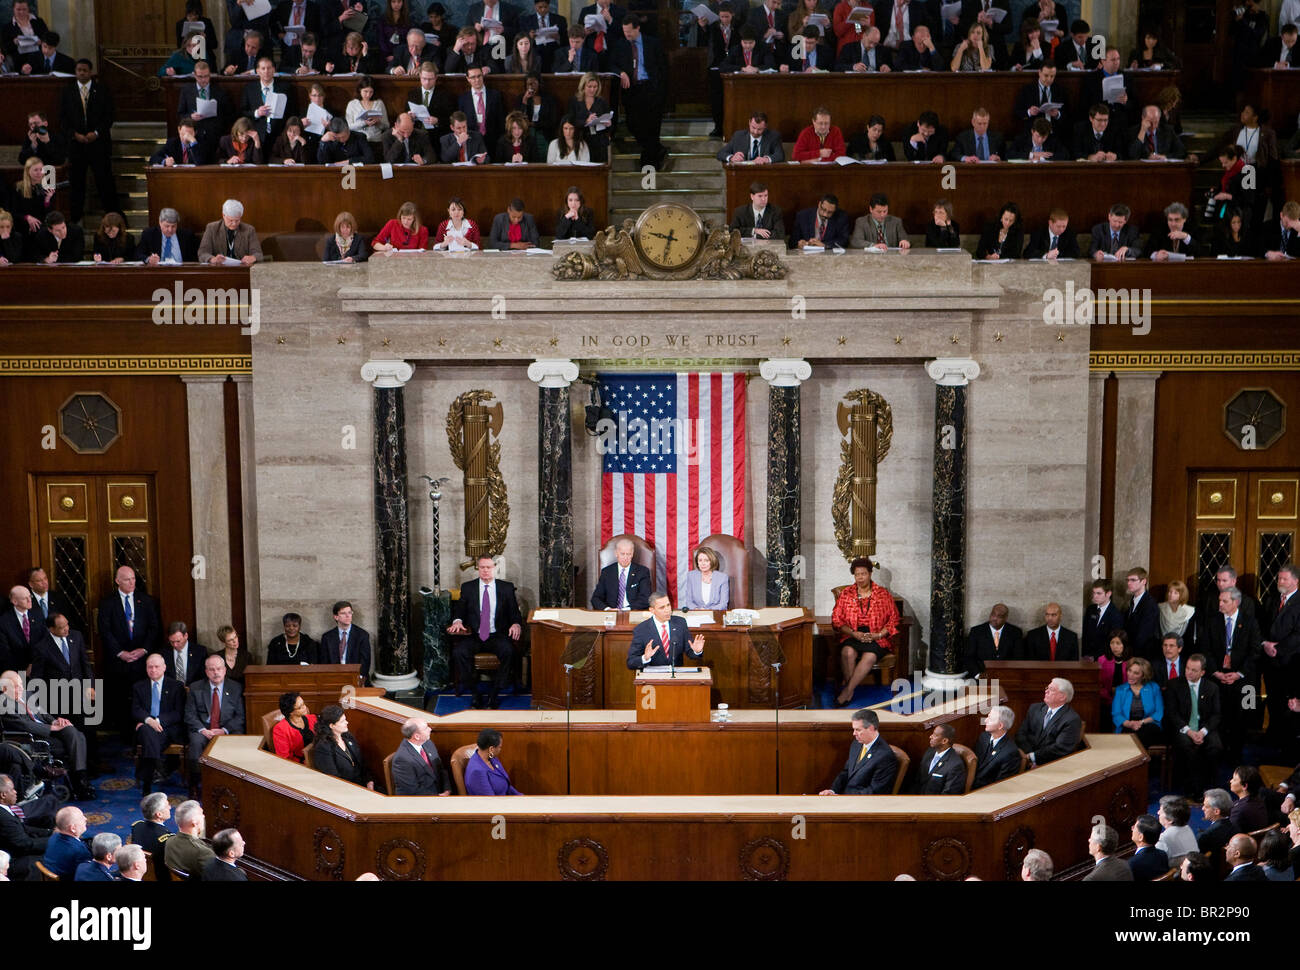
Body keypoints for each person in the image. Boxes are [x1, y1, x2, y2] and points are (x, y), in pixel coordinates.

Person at [1, 669, 94, 800]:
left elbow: (43, 713)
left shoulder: (27, 694)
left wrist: (56, 721)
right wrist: (51, 727)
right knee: (73, 741)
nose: (21, 688)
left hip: (49, 731)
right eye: (16, 687)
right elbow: (25, 725)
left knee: (73, 732)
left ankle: (80, 778)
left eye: (21, 684)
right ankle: (80, 782)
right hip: (33, 739)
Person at [448, 555, 523, 708]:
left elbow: (514, 612)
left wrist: (516, 624)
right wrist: (457, 621)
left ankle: (494, 693)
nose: (485, 570)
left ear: (495, 568)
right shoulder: (468, 587)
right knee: (458, 653)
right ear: (478, 569)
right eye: (482, 567)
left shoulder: (506, 587)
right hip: (475, 635)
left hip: (497, 634)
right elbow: (459, 610)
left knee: (509, 652)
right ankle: (474, 693)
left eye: (489, 567)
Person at [830, 557, 901, 705]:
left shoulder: (883, 594)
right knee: (847, 652)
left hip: (876, 636)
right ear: (854, 576)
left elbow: (894, 619)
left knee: (869, 656)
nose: (860, 577)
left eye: (863, 573)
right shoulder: (847, 593)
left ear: (870, 573)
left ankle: (846, 692)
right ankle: (850, 691)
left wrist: (878, 635)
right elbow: (836, 619)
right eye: (857, 574)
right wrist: (853, 633)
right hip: (853, 633)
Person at [61, 59, 121, 224]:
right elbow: (63, 119)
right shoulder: (68, 91)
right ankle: (75, 219)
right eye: (79, 70)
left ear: (90, 72)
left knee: (105, 181)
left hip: (98, 144)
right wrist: (75, 134)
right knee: (77, 184)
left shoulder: (101, 90)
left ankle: (113, 217)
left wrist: (96, 133)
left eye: (84, 70)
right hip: (76, 146)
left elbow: (109, 116)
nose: (81, 73)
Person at [1204, 585, 1259, 756]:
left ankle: (1236, 755)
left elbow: (1255, 652)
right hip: (1217, 679)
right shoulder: (1212, 621)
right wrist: (1216, 672)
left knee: (1241, 718)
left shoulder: (1250, 622)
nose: (1220, 604)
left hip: (1242, 680)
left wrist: (1238, 673)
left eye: (1224, 601)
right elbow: (1206, 649)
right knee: (1218, 716)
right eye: (1219, 600)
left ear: (1235, 602)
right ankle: (1218, 751)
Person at [184, 653, 244, 793]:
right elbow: (189, 714)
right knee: (196, 743)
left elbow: (240, 716)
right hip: (203, 729)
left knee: (237, 742)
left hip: (226, 729)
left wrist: (224, 730)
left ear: (224, 670)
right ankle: (196, 785)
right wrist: (203, 730)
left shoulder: (236, 688)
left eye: (218, 669)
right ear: (206, 672)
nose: (216, 672)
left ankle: (232, 785)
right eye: (212, 669)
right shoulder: (196, 687)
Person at [614, 14, 667, 169]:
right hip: (632, 91)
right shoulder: (620, 45)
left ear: (638, 28)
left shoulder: (653, 43)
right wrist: (620, 72)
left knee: (652, 128)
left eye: (629, 31)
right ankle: (658, 151)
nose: (627, 35)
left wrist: (661, 91)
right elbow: (611, 64)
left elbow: (663, 68)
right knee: (633, 124)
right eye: (624, 31)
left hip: (651, 90)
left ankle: (650, 165)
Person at [131, 653, 186, 794]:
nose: (153, 670)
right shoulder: (139, 686)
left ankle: (147, 783)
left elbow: (178, 713)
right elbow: (135, 709)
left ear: (164, 668)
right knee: (147, 731)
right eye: (150, 667)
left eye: (156, 667)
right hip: (147, 727)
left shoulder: (176, 686)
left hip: (167, 728)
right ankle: (159, 766)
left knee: (148, 736)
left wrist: (158, 721)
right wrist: (148, 720)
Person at [819, 708, 898, 795]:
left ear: (871, 728)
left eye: (858, 730)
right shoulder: (856, 744)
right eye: (854, 729)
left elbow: (874, 791)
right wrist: (833, 791)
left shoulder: (885, 756)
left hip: (861, 804)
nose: (854, 733)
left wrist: (842, 798)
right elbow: (846, 772)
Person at [626, 590, 705, 670]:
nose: (667, 610)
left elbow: (690, 652)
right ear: (652, 610)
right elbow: (631, 662)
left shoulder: (680, 623)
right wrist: (645, 658)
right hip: (653, 678)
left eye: (668, 605)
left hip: (676, 676)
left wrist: (697, 651)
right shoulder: (641, 629)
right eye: (662, 607)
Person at [1017, 678, 1083, 766]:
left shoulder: (1071, 719)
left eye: (1051, 689)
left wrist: (1033, 757)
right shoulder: (1034, 709)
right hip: (1025, 759)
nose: (1046, 691)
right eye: (1047, 688)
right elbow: (1021, 734)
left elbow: (1060, 748)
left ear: (1062, 696)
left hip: (1052, 765)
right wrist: (1028, 757)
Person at [0, 773, 49, 881]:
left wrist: (49, 832)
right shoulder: (3, 817)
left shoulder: (4, 811)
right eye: (12, 789)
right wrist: (52, 840)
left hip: (13, 850)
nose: (15, 792)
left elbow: (23, 828)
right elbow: (24, 845)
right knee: (49, 858)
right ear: (3, 795)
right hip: (11, 862)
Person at [311, 704, 373, 787]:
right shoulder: (323, 747)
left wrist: (369, 781)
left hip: (362, 784)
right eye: (343, 721)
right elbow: (334, 779)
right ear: (332, 726)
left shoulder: (347, 736)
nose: (347, 722)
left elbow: (362, 763)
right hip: (347, 790)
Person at [390, 717, 451, 794]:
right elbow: (413, 790)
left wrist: (447, 790)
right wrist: (437, 798)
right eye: (426, 728)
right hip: (418, 801)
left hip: (439, 794)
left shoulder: (428, 743)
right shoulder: (402, 759)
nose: (430, 729)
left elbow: (441, 769)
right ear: (417, 736)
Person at [1112, 656, 1163, 746]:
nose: (1130, 675)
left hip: (1148, 723)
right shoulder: (1120, 690)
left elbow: (1158, 712)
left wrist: (1141, 722)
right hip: (1127, 724)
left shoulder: (1154, 687)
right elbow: (1116, 714)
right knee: (1131, 736)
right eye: (1129, 670)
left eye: (1136, 673)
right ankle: (1142, 759)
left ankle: (1139, 759)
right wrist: (1129, 723)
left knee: (1143, 734)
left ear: (1143, 675)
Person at [319, 601, 372, 685]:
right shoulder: (327, 637)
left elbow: (365, 662)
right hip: (334, 677)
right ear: (336, 617)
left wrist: (360, 679)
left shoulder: (362, 635)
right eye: (343, 613)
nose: (348, 616)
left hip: (355, 677)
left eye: (350, 612)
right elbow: (324, 662)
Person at [965, 602, 1023, 677]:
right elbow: (969, 657)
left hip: (1007, 676)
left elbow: (1019, 657)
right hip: (982, 675)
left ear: (1005, 618)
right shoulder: (976, 631)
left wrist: (1010, 674)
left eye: (999, 616)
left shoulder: (1015, 632)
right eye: (993, 614)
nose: (995, 618)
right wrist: (978, 675)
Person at [199, 198, 262, 265]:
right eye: (231, 220)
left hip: (242, 270)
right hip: (219, 269)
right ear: (223, 215)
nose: (234, 224)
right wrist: (212, 259)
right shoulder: (212, 228)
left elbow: (258, 254)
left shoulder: (249, 230)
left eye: (237, 220)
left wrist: (253, 257)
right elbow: (202, 253)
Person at [592, 537, 650, 609]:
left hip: (632, 611)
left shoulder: (642, 572)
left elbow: (645, 599)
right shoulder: (606, 572)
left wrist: (626, 609)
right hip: (611, 612)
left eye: (628, 554)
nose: (625, 558)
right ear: (616, 553)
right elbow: (596, 598)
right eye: (622, 554)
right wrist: (607, 609)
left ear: (632, 554)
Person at [1, 585, 49, 672]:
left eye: (30, 596)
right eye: (24, 598)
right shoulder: (4, 621)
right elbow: (5, 651)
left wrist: (34, 664)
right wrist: (23, 669)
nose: (29, 600)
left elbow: (45, 640)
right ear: (14, 601)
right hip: (17, 670)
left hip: (39, 667)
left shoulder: (38, 614)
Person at [567, 72, 611, 163]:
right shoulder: (575, 101)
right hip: (581, 139)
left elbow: (608, 121)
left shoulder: (601, 102)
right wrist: (586, 121)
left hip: (599, 141)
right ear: (583, 86)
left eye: (595, 87)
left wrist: (608, 124)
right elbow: (570, 121)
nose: (592, 90)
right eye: (589, 86)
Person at [973, 705, 1020, 788]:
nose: (986, 720)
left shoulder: (1011, 753)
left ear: (1000, 726)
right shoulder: (984, 737)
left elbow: (1001, 785)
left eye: (990, 719)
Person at [464, 728, 521, 795]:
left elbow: (507, 787)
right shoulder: (477, 772)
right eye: (500, 747)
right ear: (491, 749)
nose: (500, 749)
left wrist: (522, 797)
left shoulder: (492, 758)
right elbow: (490, 801)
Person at [164, 799, 214, 877]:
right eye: (201, 814)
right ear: (194, 822)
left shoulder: (169, 841)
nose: (204, 816)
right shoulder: (203, 853)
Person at [407, 62, 451, 144]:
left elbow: (450, 118)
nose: (427, 82)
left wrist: (437, 121)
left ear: (436, 78)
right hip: (416, 135)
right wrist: (410, 116)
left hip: (436, 137)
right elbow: (405, 113)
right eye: (424, 78)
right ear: (420, 76)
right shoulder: (412, 94)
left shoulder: (444, 95)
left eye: (430, 79)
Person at [914, 723, 965, 794]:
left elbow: (948, 795)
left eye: (935, 735)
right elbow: (918, 782)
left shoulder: (955, 765)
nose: (930, 737)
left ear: (944, 741)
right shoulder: (929, 752)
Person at [679, 544, 731, 611]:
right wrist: (697, 609)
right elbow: (689, 601)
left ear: (712, 561)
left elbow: (723, 604)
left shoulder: (722, 578)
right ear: (697, 562)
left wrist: (706, 610)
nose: (703, 563)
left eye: (706, 560)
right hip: (696, 613)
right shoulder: (691, 576)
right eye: (700, 560)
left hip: (715, 613)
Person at [42, 806, 90, 879]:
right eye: (81, 817)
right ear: (73, 828)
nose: (85, 819)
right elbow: (87, 873)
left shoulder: (53, 837)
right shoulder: (80, 850)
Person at [1122, 566, 1159, 658]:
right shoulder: (1132, 600)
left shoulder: (1150, 604)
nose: (1129, 583)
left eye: (1133, 580)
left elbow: (1144, 633)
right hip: (1130, 652)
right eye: (1128, 580)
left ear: (1143, 581)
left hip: (1142, 654)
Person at [130, 792, 173, 867]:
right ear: (159, 814)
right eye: (167, 806)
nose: (170, 807)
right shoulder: (166, 838)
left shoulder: (137, 826)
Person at [271, 692, 317, 763]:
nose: (305, 707)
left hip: (316, 757)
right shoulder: (280, 729)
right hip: (298, 765)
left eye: (304, 704)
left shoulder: (312, 718)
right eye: (300, 707)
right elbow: (284, 758)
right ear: (291, 712)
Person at [345, 74, 388, 147]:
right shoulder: (352, 104)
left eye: (371, 92)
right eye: (365, 91)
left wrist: (378, 123)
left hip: (376, 140)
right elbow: (348, 127)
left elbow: (386, 125)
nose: (368, 95)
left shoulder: (379, 103)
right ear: (359, 90)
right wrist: (364, 123)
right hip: (358, 141)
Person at [1156, 794, 1199, 867]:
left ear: (1170, 820)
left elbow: (1154, 862)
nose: (1158, 812)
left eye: (1161, 810)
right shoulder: (1187, 828)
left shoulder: (1164, 839)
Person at [516, 73, 558, 143]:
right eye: (528, 84)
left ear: (540, 84)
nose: (531, 87)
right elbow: (518, 119)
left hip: (544, 134)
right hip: (526, 134)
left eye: (534, 84)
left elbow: (552, 121)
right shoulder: (521, 98)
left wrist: (534, 124)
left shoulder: (549, 99)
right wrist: (524, 101)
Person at [1199, 788, 1239, 857]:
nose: (1203, 808)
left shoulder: (1204, 837)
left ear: (1216, 811)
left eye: (1206, 806)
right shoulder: (1237, 829)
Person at [1229, 764, 1270, 832]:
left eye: (1234, 779)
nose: (1231, 781)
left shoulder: (1239, 811)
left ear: (1245, 786)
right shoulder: (1259, 801)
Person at [164, 621, 206, 686]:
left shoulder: (200, 652)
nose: (175, 645)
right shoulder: (163, 652)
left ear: (186, 636)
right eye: (172, 642)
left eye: (178, 641)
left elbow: (203, 676)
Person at [1127, 815, 1169, 881]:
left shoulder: (1132, 863)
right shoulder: (1163, 855)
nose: (1132, 828)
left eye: (1134, 827)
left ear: (1141, 837)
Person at [377, 0, 415, 70]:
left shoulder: (408, 19)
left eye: (399, 2)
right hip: (386, 57)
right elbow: (381, 39)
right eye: (393, 2)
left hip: (403, 56)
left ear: (403, 3)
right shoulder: (383, 19)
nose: (396, 4)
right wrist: (387, 55)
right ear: (389, 3)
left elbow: (409, 40)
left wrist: (398, 56)